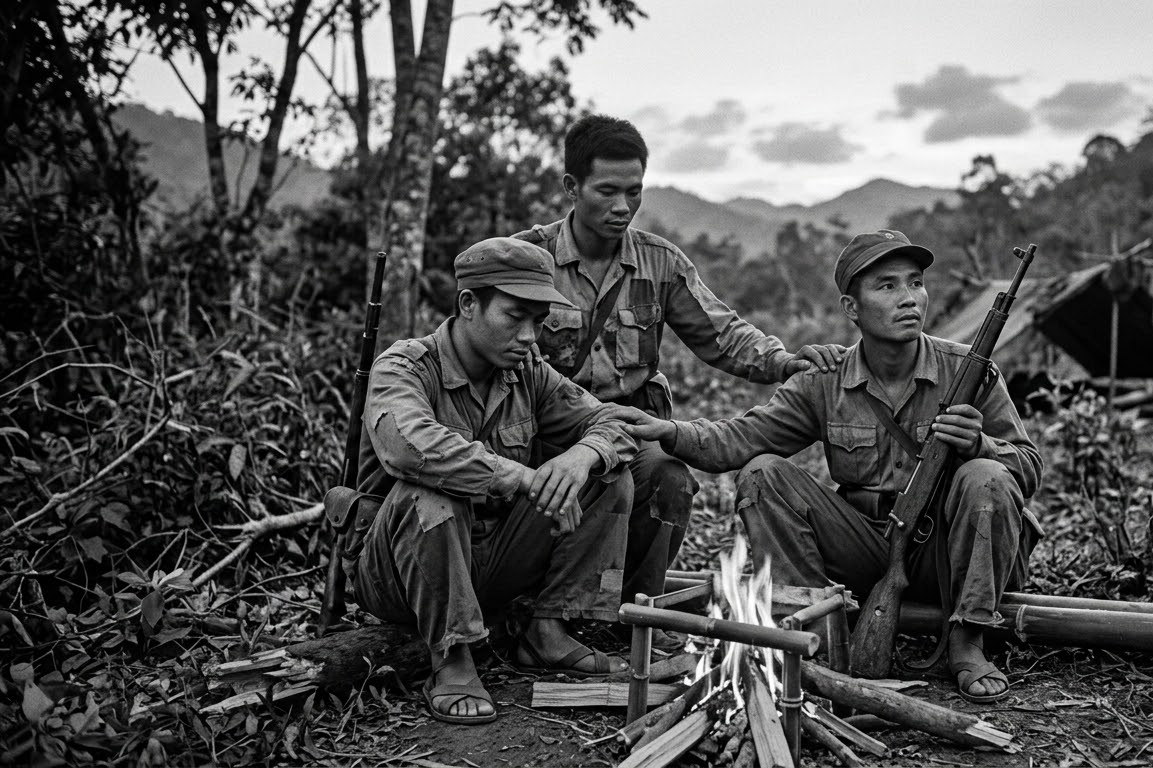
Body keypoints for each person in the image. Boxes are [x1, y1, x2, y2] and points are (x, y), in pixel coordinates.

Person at [604, 230, 1044, 704]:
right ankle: (815, 627)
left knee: (987, 475)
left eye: (915, 283)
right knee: (764, 474)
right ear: (851, 309)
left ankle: (968, 643)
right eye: (887, 286)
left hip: (949, 550)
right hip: (869, 548)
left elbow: (1028, 465)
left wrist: (979, 444)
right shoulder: (825, 380)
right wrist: (670, 431)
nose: (909, 299)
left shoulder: (968, 369)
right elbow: (741, 439)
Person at [513, 114, 844, 612]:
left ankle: (633, 610)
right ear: (571, 187)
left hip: (629, 425)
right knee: (580, 485)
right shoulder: (528, 259)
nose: (622, 207)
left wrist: (783, 361)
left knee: (670, 479)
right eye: (606, 191)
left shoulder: (659, 262)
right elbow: (486, 341)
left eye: (634, 191)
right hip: (543, 427)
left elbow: (722, 332)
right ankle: (546, 607)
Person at [350, 237, 638, 725]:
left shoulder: (528, 372)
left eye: (538, 321)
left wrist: (583, 456)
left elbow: (613, 423)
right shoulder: (404, 367)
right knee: (432, 488)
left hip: (491, 559)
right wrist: (522, 478)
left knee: (607, 477)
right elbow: (410, 447)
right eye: (515, 316)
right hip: (399, 569)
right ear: (468, 304)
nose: (530, 335)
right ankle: (452, 660)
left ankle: (547, 630)